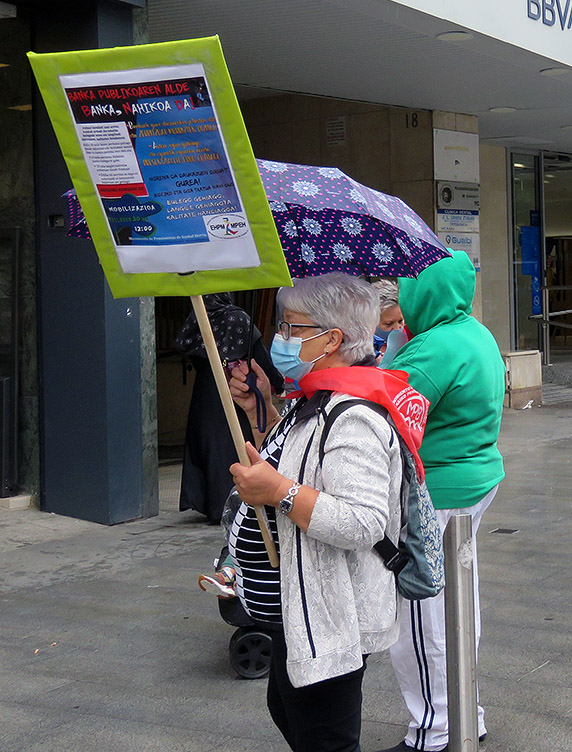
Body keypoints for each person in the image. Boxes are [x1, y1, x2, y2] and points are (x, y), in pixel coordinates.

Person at [224, 272, 422, 752]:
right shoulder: (315, 395)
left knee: (325, 738)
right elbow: (298, 459)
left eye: (291, 327)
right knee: (289, 710)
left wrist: (278, 491)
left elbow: (363, 521)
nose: (281, 338)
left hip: (329, 612)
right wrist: (259, 409)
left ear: (332, 339)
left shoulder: (353, 415)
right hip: (298, 604)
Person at [382, 251, 504, 752]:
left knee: (422, 620)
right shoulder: (475, 332)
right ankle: (465, 714)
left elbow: (383, 414)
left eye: (406, 289)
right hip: (473, 482)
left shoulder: (432, 349)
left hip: (435, 495)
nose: (401, 299)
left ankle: (435, 731)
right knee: (458, 607)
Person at [175, 293, 283, 523]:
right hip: (235, 392)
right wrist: (277, 382)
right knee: (233, 447)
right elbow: (259, 358)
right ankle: (232, 505)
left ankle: (209, 505)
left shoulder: (198, 317)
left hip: (204, 396)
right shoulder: (237, 318)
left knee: (209, 447)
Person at [372, 278, 408, 364]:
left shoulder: (410, 341)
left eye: (400, 321)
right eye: (388, 324)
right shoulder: (363, 351)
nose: (397, 328)